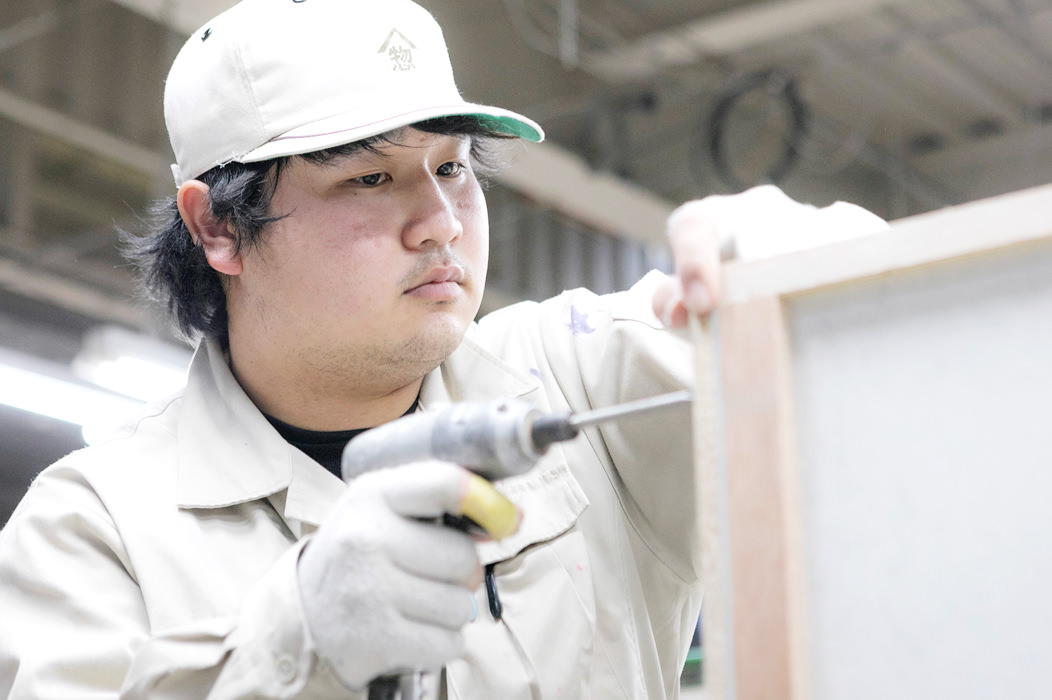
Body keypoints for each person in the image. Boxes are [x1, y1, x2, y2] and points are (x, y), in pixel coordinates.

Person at [0, 0, 887, 698]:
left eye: (454, 167)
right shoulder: (93, 528)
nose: (440, 223)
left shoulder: (579, 382)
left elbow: (894, 420)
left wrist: (836, 291)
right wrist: (296, 646)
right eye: (371, 177)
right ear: (218, 228)